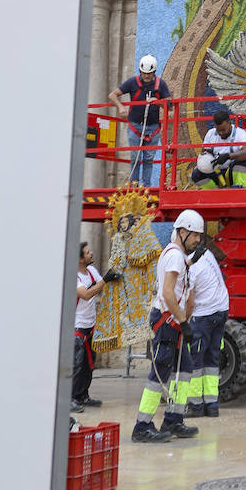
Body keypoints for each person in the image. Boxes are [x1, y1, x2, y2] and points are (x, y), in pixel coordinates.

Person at [131, 209, 204, 443]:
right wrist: (184, 321)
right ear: (182, 232)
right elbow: (167, 292)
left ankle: (174, 419)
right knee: (160, 372)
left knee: (184, 371)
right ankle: (142, 426)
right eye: (195, 235)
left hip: (175, 322)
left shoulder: (180, 258)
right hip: (167, 321)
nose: (198, 240)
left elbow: (183, 290)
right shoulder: (174, 256)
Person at [94, 189, 161, 354]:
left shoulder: (143, 234)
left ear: (132, 221)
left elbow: (154, 254)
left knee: (139, 312)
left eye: (126, 222)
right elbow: (116, 261)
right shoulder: (118, 240)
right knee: (125, 311)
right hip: (124, 282)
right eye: (121, 222)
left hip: (140, 281)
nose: (123, 225)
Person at [110, 55, 171, 187]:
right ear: (140, 71)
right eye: (144, 73)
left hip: (153, 128)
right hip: (135, 126)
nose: (146, 76)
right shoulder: (132, 82)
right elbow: (113, 95)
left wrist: (158, 101)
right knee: (135, 158)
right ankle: (134, 186)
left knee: (149, 159)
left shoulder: (160, 85)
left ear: (154, 72)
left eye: (149, 74)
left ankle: (146, 186)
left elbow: (170, 104)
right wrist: (121, 107)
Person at [72, 242, 118, 413]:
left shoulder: (91, 271)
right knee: (76, 365)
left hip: (90, 326)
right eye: (87, 252)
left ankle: (83, 395)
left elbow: (101, 285)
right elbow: (86, 294)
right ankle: (72, 398)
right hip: (77, 326)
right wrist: (106, 279)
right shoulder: (74, 276)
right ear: (79, 259)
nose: (91, 253)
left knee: (87, 365)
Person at [185, 245, 230, 418]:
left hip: (204, 314)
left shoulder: (191, 267)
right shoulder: (207, 253)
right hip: (221, 310)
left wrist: (183, 322)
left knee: (195, 358)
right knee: (212, 357)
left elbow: (189, 302)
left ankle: (195, 405)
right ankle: (212, 405)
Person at [190, 106, 246, 187]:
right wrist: (206, 161)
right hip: (216, 172)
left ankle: (238, 189)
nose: (221, 133)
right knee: (196, 174)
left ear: (230, 123)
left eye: (223, 130)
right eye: (218, 130)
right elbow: (205, 152)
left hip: (231, 172)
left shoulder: (240, 133)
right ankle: (214, 194)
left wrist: (228, 156)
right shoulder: (210, 134)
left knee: (243, 162)